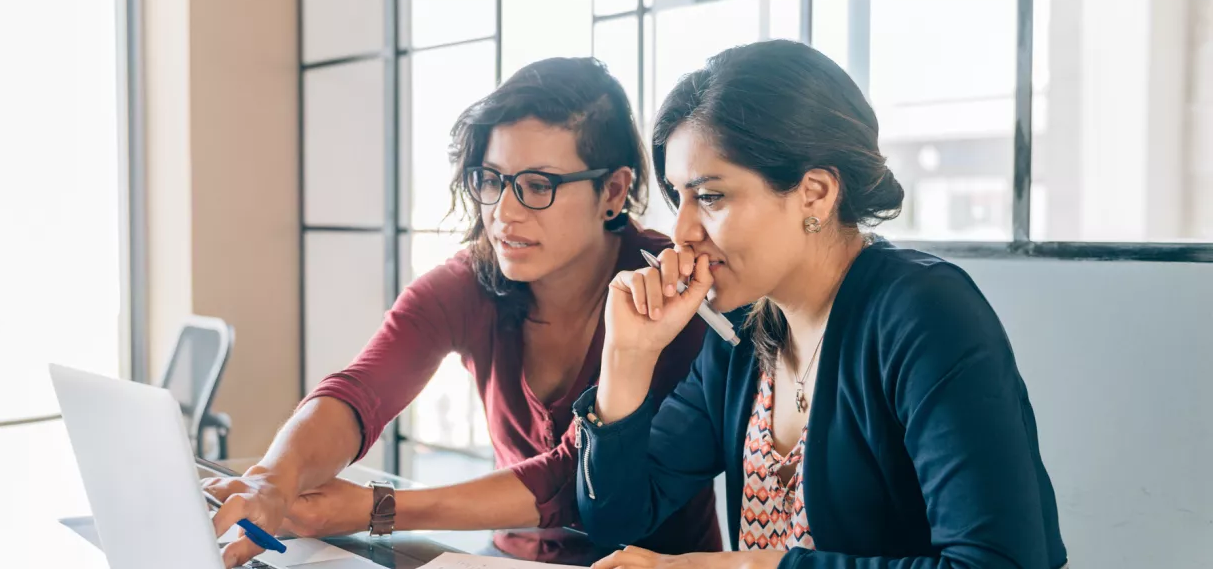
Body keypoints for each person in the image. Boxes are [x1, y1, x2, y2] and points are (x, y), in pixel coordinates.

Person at [203, 57, 722, 569]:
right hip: (502, 557)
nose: (504, 212)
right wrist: (272, 478)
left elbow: (571, 481)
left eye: (538, 186)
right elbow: (361, 389)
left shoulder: (671, 290)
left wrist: (375, 507)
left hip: (656, 563)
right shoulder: (474, 279)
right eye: (492, 180)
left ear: (612, 191)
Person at [574, 40, 1068, 569]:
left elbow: (999, 563)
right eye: (679, 197)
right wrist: (626, 359)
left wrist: (748, 565)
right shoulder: (742, 329)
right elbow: (615, 520)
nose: (682, 232)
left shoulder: (926, 314)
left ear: (815, 192)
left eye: (711, 197)